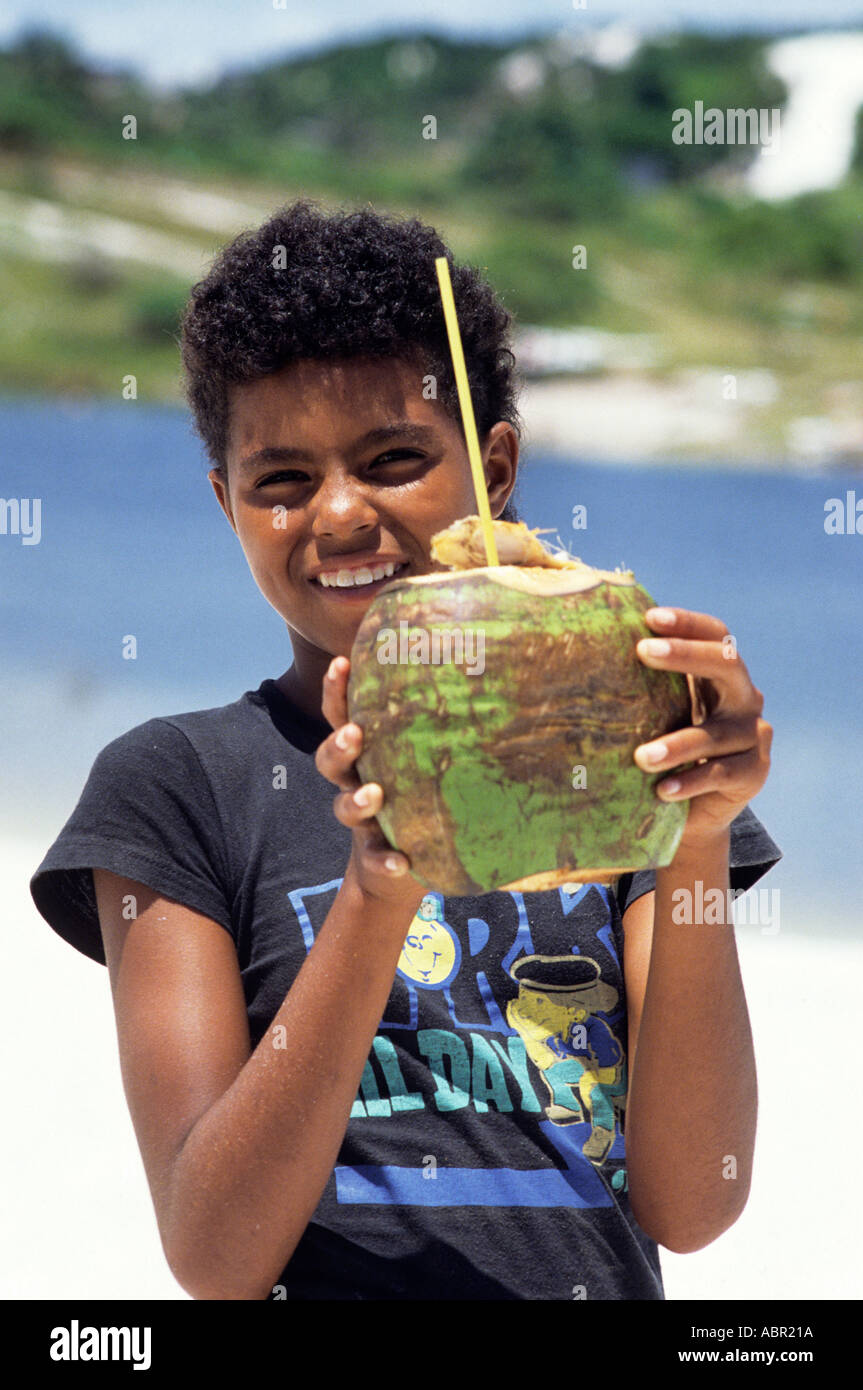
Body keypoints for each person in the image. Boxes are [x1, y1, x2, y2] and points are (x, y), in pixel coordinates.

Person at [30, 199, 781, 1301]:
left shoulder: (623, 744)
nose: (337, 514)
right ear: (224, 503)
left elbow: (694, 1200)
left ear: (494, 470)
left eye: (391, 458)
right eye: (279, 480)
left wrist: (697, 838)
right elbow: (213, 1250)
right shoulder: (174, 787)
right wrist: (378, 885)